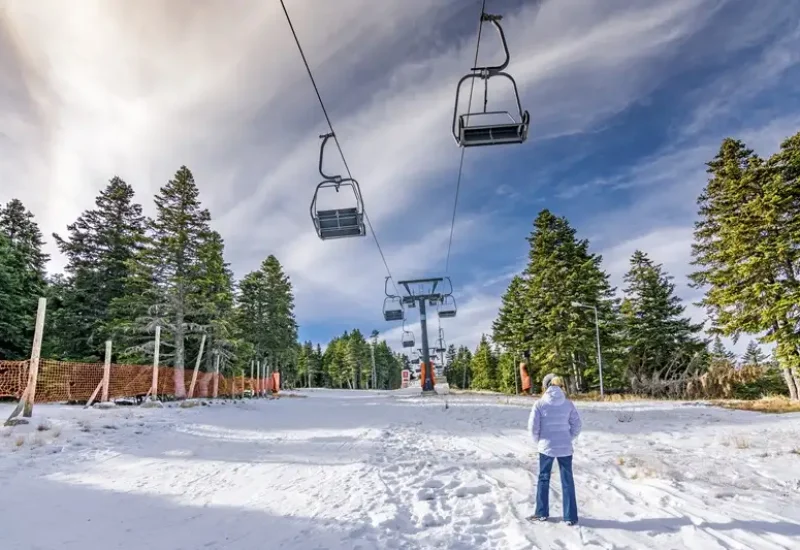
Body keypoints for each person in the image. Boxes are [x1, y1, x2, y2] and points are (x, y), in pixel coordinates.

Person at [527, 373, 582, 525]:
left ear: (545, 386)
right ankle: (570, 517)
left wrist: (539, 441)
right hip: (565, 447)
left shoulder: (539, 404)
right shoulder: (568, 404)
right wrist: (568, 437)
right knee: (567, 480)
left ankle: (541, 513)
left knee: (544, 478)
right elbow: (577, 425)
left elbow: (533, 427)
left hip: (546, 447)